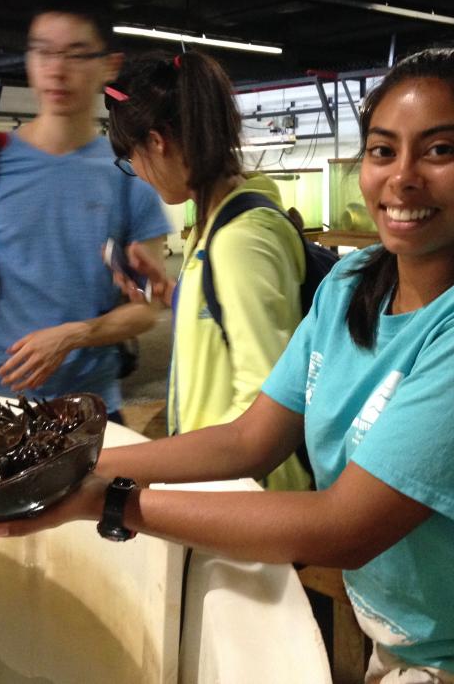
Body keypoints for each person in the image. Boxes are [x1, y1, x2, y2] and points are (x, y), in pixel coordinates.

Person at [0, 48, 454, 683]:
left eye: (440, 150)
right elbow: (249, 437)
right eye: (381, 150)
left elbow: (348, 526)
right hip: (405, 638)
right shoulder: (352, 282)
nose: (401, 178)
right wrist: (64, 462)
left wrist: (106, 501)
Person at [0, 0, 172, 422]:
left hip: (90, 408)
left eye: (75, 54)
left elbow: (148, 307)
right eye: (43, 52)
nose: (56, 70)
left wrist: (74, 336)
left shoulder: (131, 177)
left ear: (108, 67)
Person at [102, 49, 312, 491]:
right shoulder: (214, 227)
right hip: (219, 482)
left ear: (157, 142)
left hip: (245, 499)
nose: (137, 173)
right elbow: (230, 324)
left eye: (131, 158)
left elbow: (263, 420)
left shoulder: (241, 239)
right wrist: (172, 292)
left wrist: (112, 466)